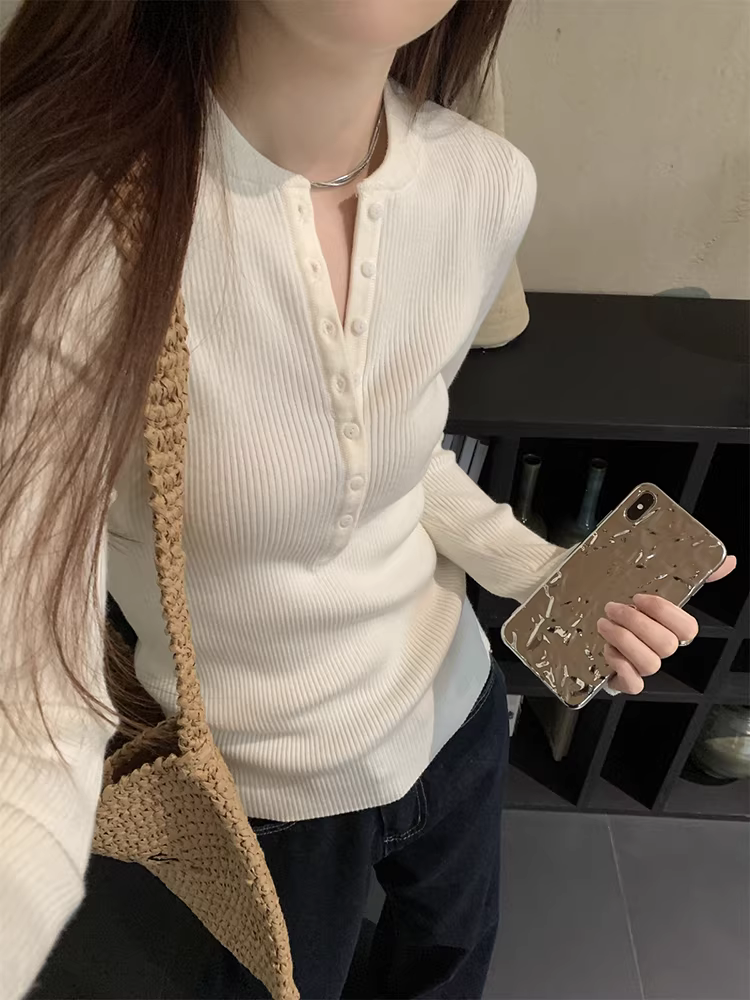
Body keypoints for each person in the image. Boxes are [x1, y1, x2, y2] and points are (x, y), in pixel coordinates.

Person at [0, 2, 736, 999]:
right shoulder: (83, 231)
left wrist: (547, 573)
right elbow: (30, 704)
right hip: (269, 800)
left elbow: (397, 449)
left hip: (454, 715)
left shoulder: (484, 185)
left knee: (449, 967)